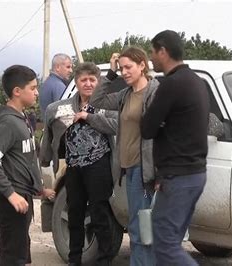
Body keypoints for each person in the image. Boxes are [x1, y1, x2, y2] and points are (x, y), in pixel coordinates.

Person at [141, 30, 209, 265]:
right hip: (194, 174)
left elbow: (147, 128)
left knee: (166, 245)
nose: (151, 59)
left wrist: (159, 124)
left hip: (178, 177)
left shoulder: (171, 84)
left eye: (153, 53)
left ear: (163, 51)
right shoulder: (197, 82)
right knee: (170, 242)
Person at [41, 62, 118, 266]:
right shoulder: (61, 107)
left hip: (99, 165)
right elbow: (48, 129)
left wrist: (90, 117)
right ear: (76, 82)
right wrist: (46, 159)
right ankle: (74, 259)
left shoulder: (105, 105)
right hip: (73, 167)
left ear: (98, 81)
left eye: (92, 80)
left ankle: (104, 260)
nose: (88, 84)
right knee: (74, 213)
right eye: (83, 80)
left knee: (100, 213)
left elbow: (117, 125)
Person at [90, 47, 159, 266]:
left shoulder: (154, 92)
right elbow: (96, 102)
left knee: (142, 228)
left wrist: (159, 173)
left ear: (142, 65)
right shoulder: (126, 94)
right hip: (128, 168)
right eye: (122, 69)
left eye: (128, 67)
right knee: (136, 225)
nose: (125, 72)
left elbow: (163, 133)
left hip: (144, 169)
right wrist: (110, 74)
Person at [0, 65, 55, 266]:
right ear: (17, 91)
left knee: (20, 249)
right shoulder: (8, 122)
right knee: (12, 252)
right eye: (33, 88)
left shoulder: (21, 117)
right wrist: (10, 194)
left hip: (23, 194)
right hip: (11, 197)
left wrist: (39, 188)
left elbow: (24, 159)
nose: (37, 92)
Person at [39, 53, 73, 121]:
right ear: (57, 67)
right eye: (68, 67)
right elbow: (65, 117)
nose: (71, 71)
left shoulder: (46, 83)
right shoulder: (59, 86)